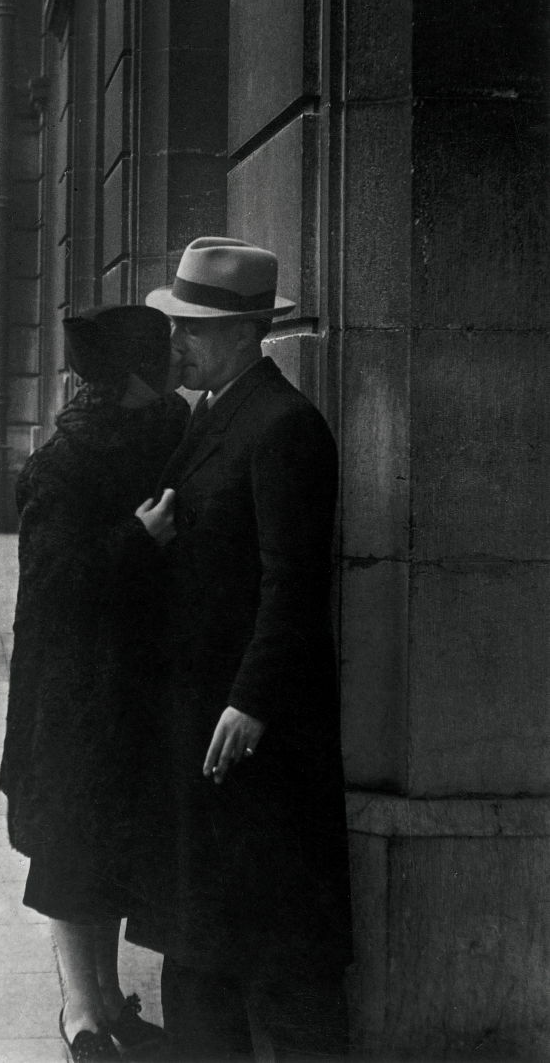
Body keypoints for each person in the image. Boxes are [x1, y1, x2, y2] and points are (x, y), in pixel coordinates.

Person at [127, 238, 353, 1061]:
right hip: (203, 725)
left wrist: (251, 701)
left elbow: (292, 584)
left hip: (254, 740)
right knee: (198, 949)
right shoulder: (215, 413)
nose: (175, 341)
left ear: (243, 333)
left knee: (277, 961)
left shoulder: (285, 426)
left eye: (191, 327)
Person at [0, 305, 189, 1063]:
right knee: (73, 847)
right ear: (132, 378)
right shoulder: (65, 461)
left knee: (107, 847)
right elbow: (50, 585)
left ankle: (110, 999)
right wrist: (136, 541)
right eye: (163, 356)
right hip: (73, 692)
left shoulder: (167, 430)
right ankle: (80, 1013)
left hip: (132, 684)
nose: (178, 363)